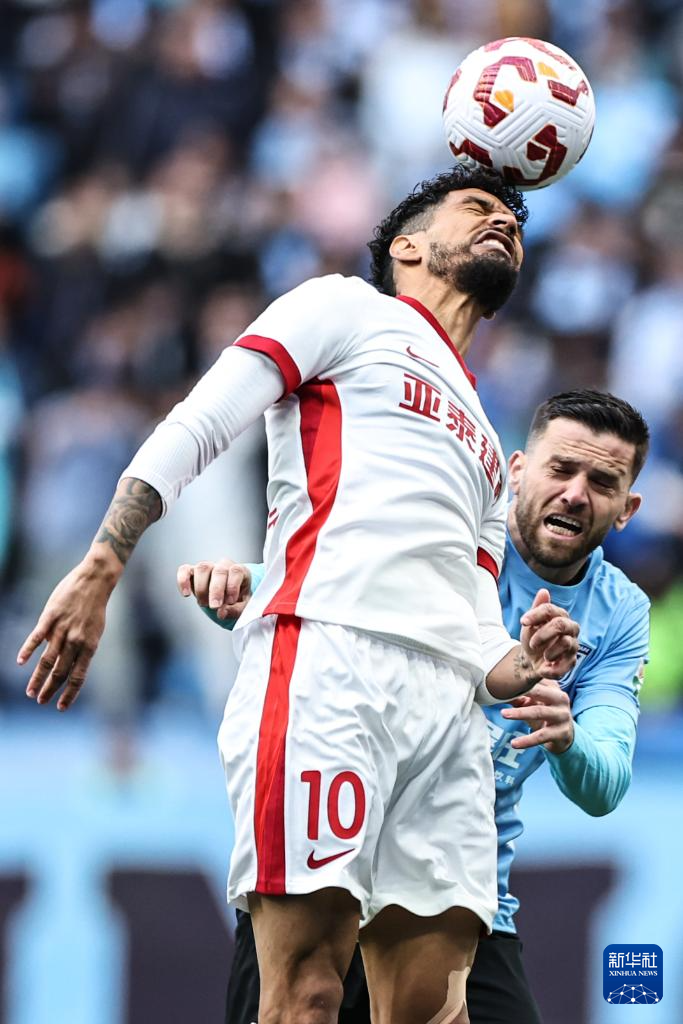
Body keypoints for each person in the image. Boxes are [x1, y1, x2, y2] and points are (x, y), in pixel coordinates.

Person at [18, 166, 580, 1024]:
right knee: (307, 991)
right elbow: (203, 420)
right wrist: (103, 562)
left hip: (448, 718)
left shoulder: (485, 432)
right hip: (331, 665)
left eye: (513, 219)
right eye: (477, 209)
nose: (503, 222)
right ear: (407, 246)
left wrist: (524, 664)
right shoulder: (343, 309)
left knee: (436, 1012)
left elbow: (475, 623)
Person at [181, 388, 650, 1024]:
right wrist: (242, 585)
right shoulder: (446, 532)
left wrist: (567, 738)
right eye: (561, 469)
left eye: (602, 482)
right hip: (334, 854)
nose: (575, 493)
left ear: (627, 509)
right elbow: (329, 580)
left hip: (456, 888)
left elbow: (606, 783)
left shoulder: (619, 613)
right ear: (516, 471)